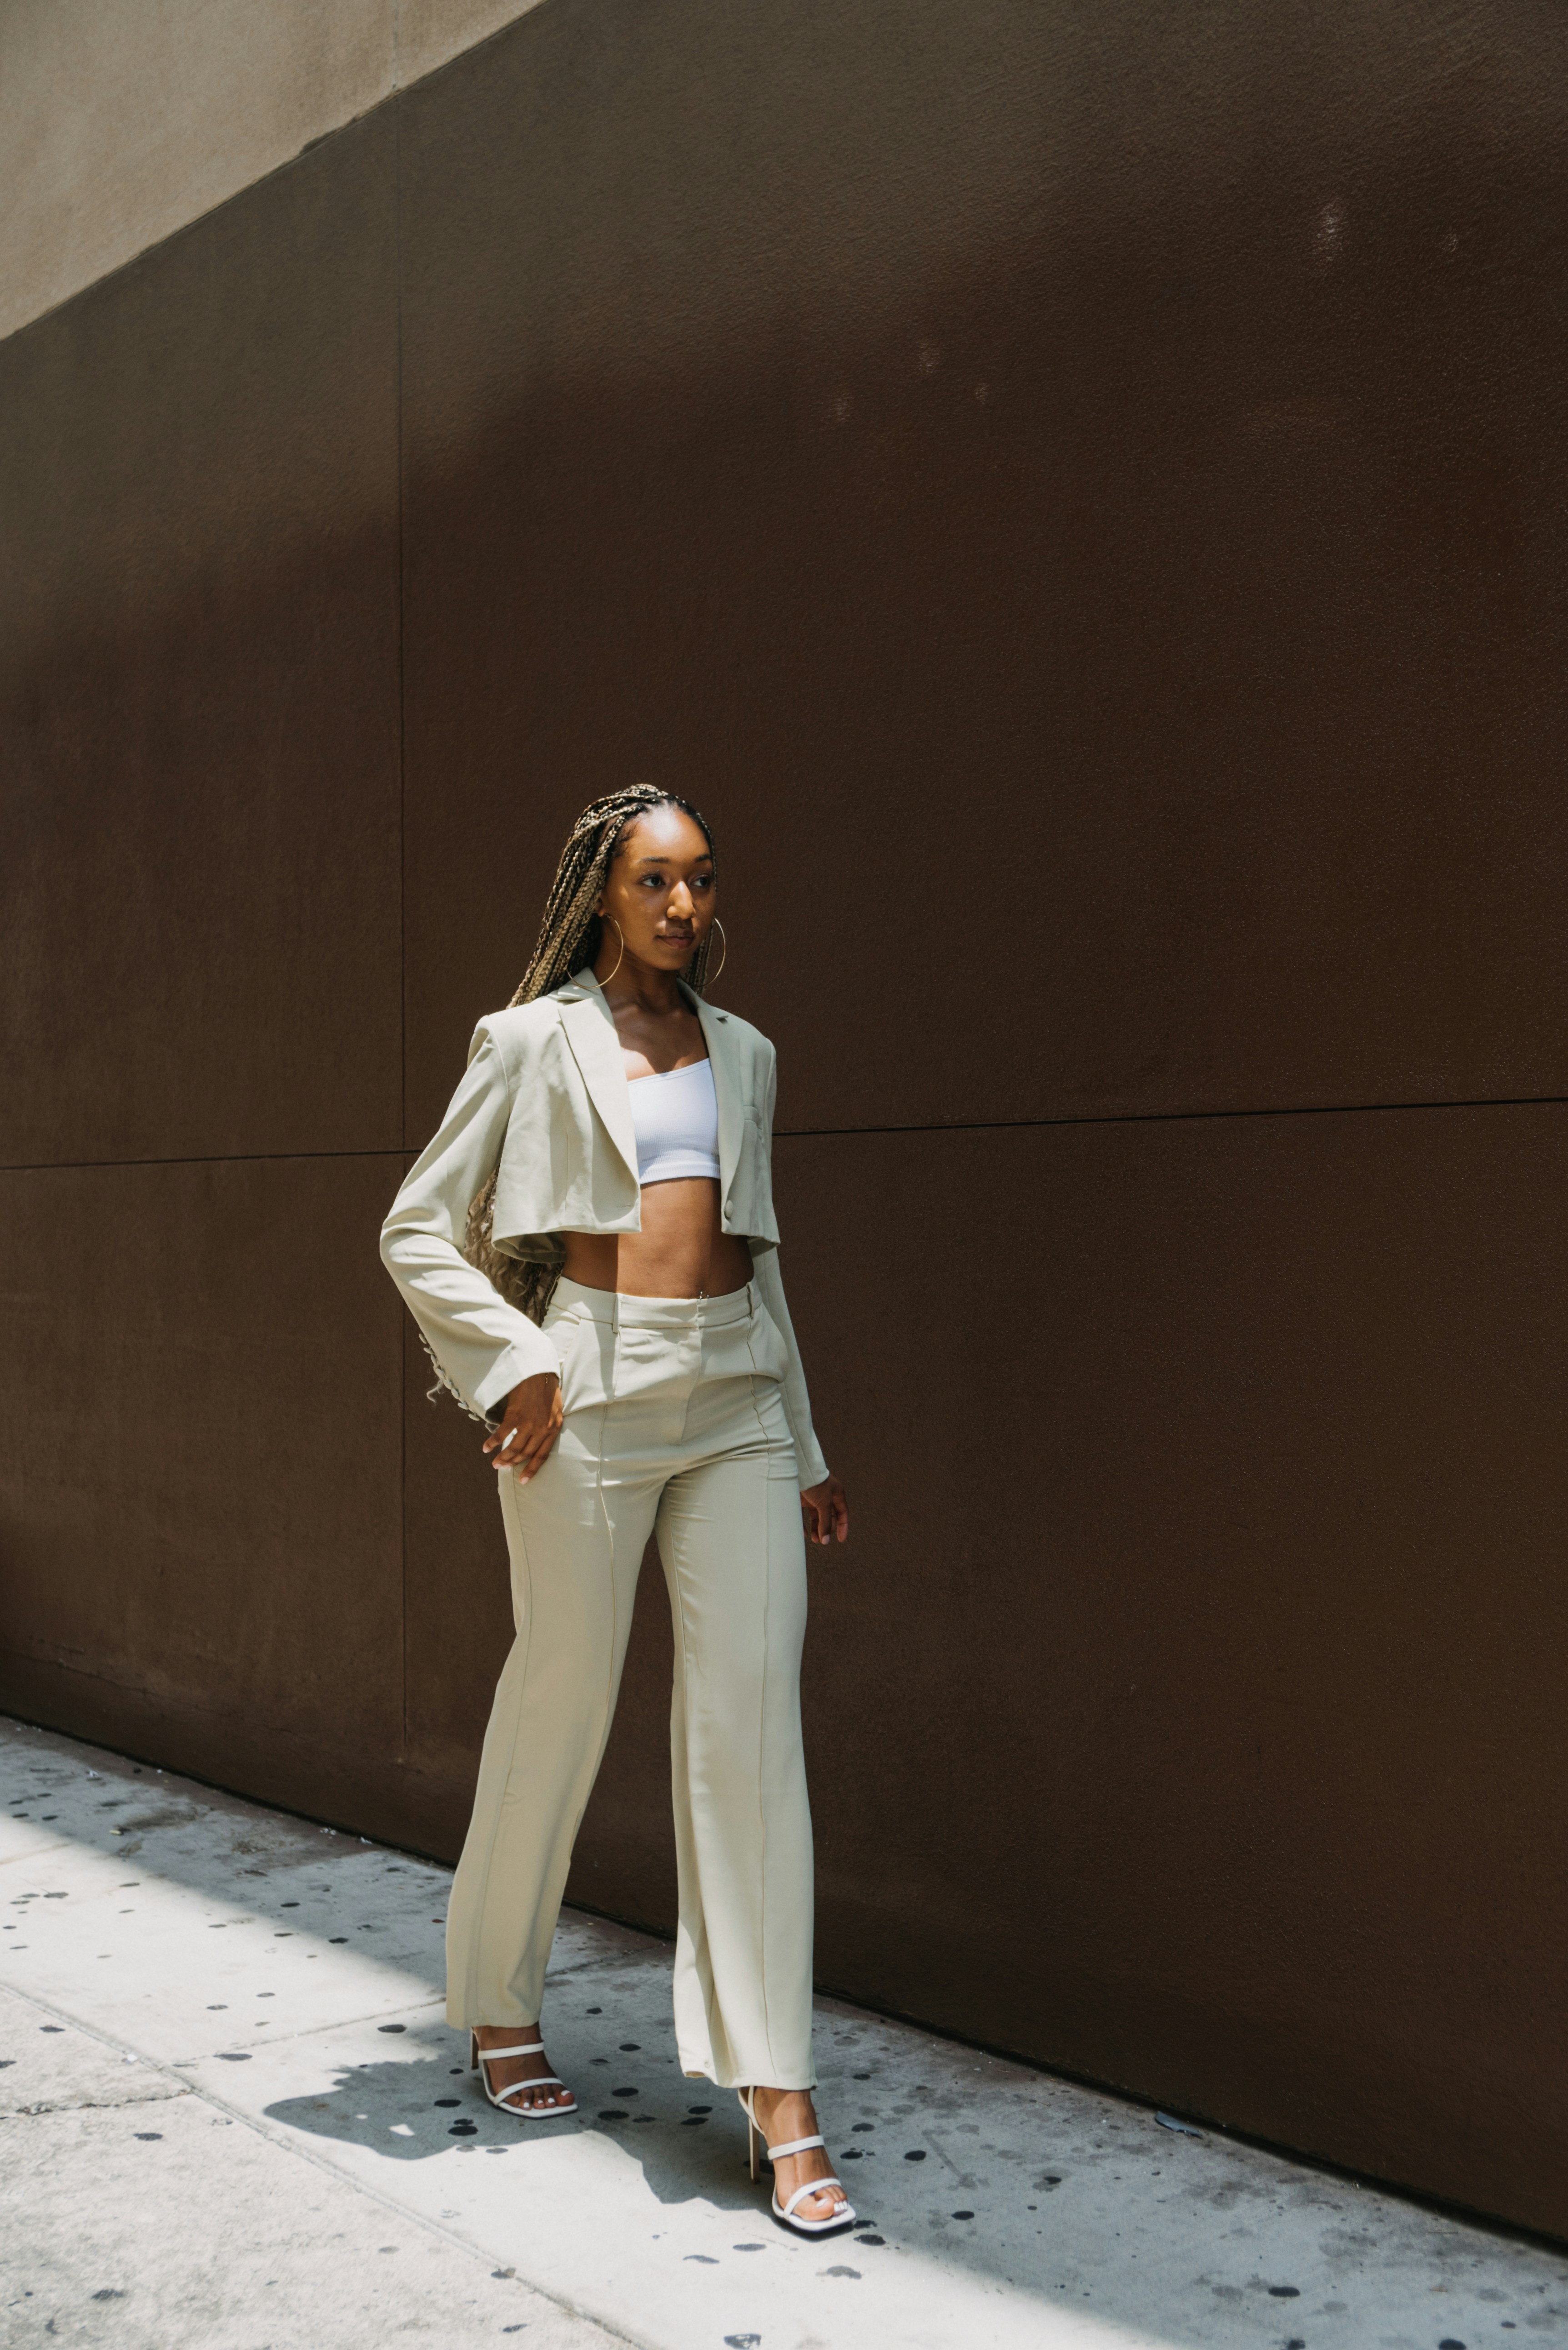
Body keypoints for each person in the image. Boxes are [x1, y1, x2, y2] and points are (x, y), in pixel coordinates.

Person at [380, 785, 854, 2236]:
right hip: (587, 1388)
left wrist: (809, 1435)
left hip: (738, 1406)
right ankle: (495, 2001)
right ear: (604, 892)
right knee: (566, 1698)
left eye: (704, 881)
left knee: (750, 1728)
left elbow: (756, 1254)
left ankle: (779, 2095)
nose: (684, 908)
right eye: (655, 880)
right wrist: (514, 1367)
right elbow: (415, 1224)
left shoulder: (749, 1052)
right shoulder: (532, 1041)